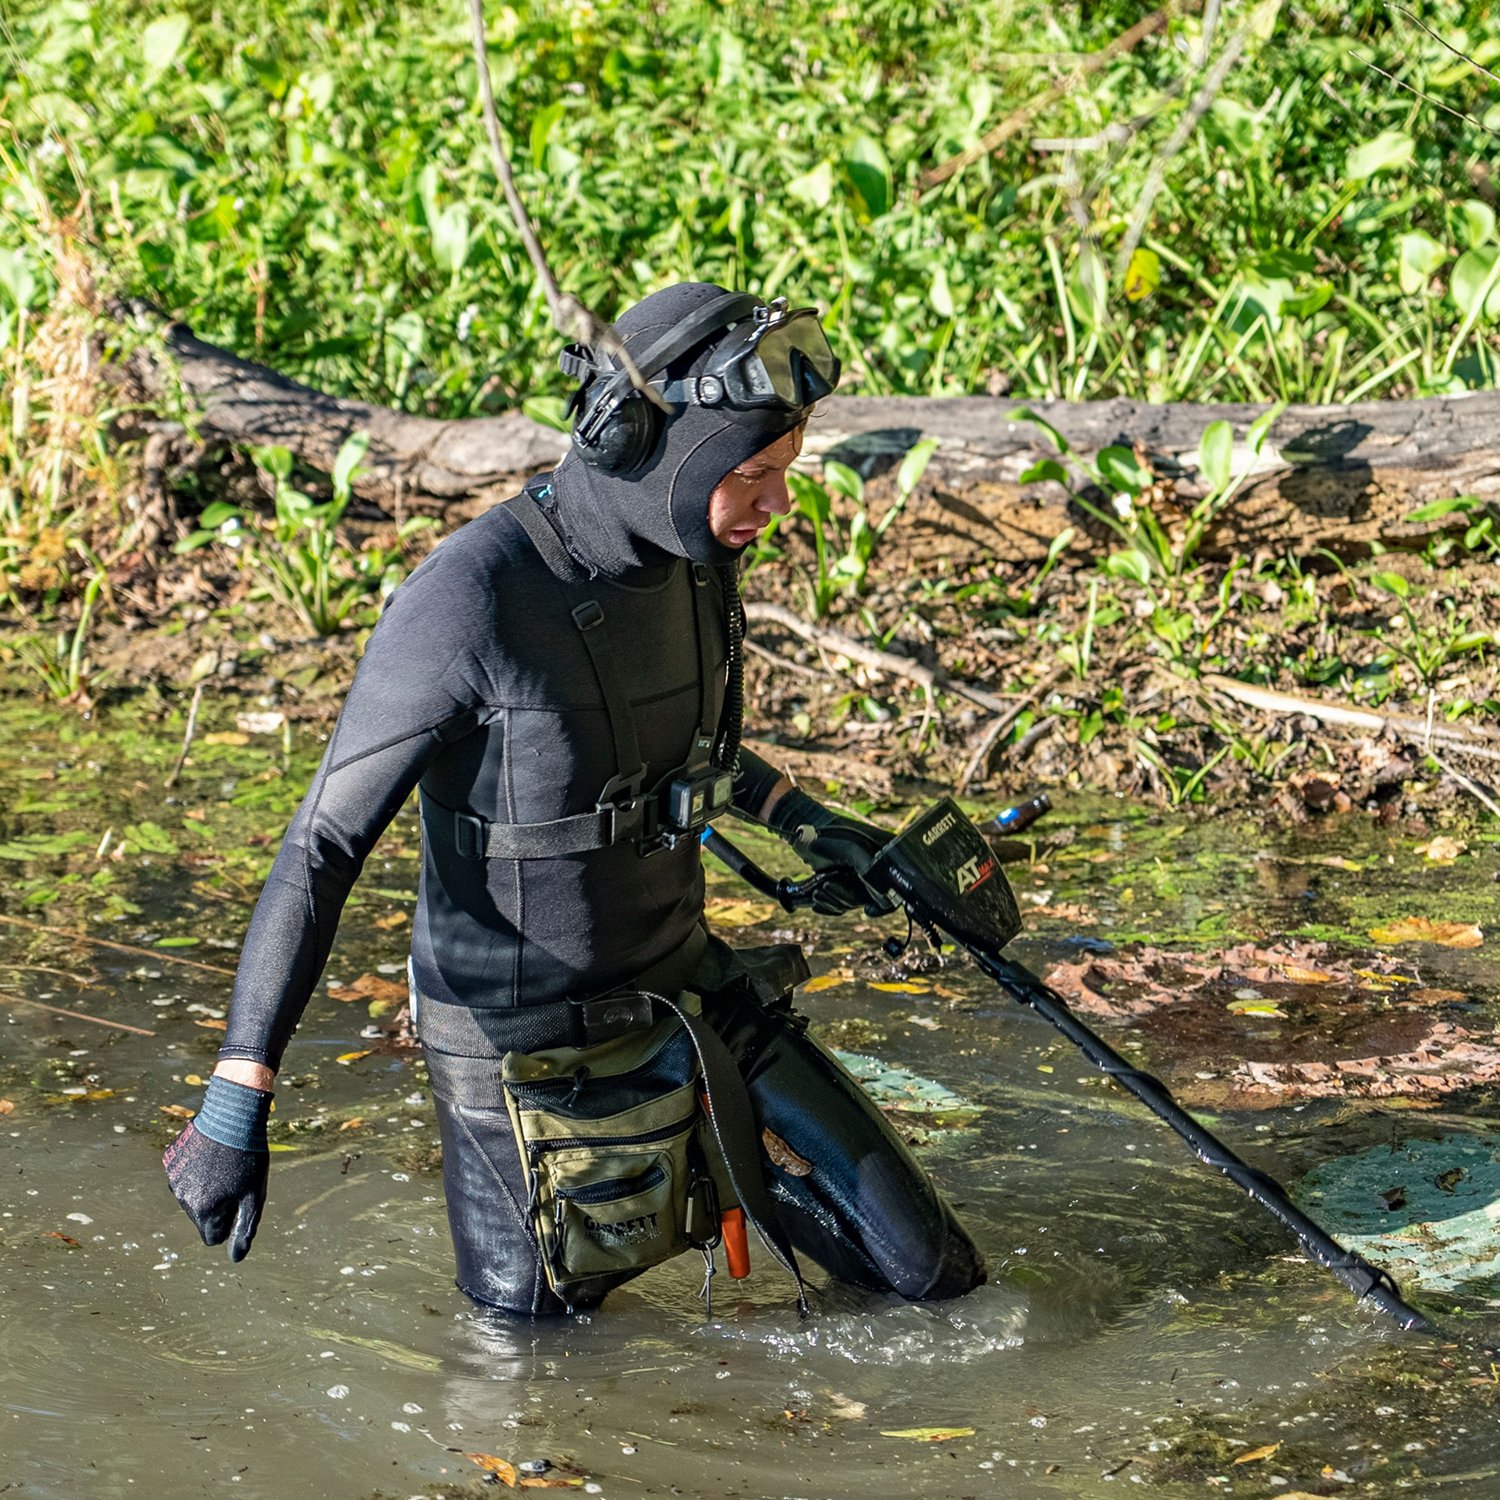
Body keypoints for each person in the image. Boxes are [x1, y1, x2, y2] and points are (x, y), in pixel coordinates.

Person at [163, 282, 985, 1316]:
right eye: (758, 473)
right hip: (524, 1051)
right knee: (539, 1379)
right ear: (657, 451)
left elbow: (682, 753)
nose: (781, 503)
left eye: (788, 469)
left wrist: (810, 824)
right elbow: (322, 845)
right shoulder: (471, 600)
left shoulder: (693, 558)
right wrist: (238, 1097)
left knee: (933, 1282)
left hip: (688, 985)